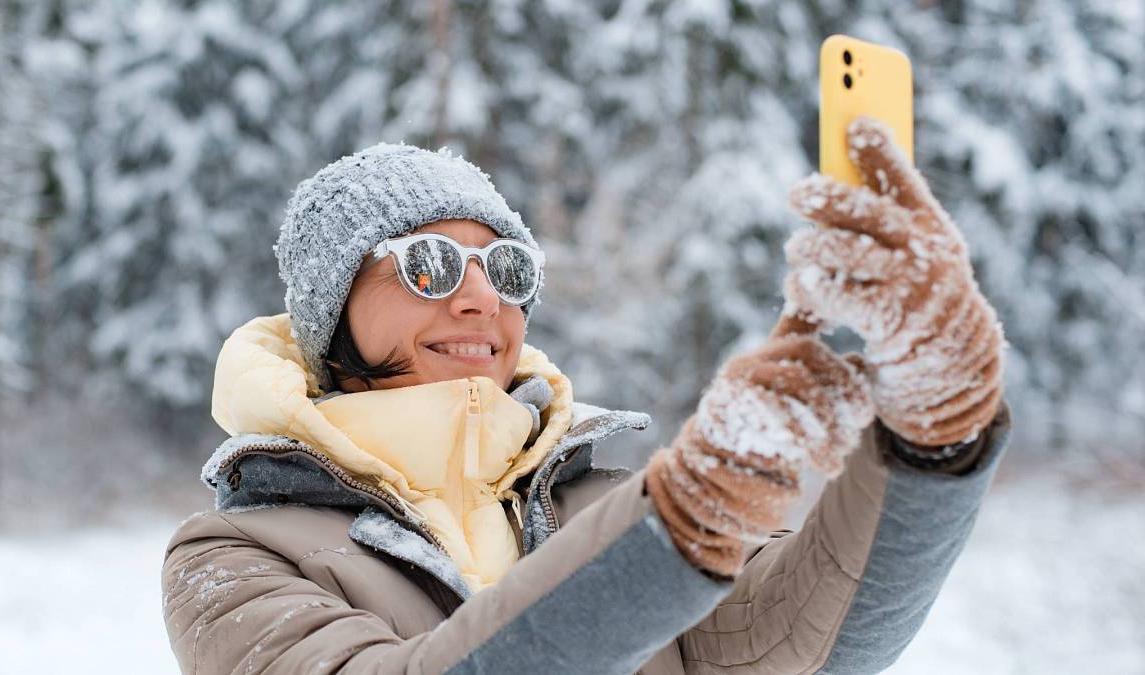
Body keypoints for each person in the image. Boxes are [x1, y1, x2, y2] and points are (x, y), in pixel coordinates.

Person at [161, 117, 1012, 674]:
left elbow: (803, 647)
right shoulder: (232, 556)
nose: (478, 299)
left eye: (506, 270)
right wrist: (676, 523)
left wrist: (934, 438)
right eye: (428, 264)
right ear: (330, 310)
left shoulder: (595, 501)